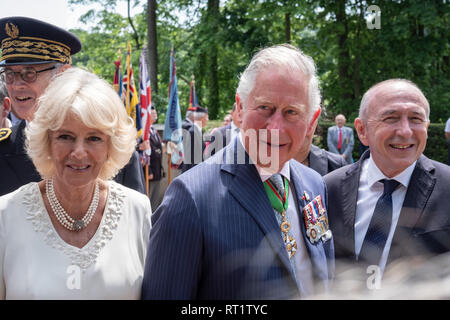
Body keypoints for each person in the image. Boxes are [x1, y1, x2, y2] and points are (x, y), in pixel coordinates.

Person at [142, 44, 334, 300]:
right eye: (265, 108)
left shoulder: (314, 184)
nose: (275, 127)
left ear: (311, 121)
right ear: (240, 109)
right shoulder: (191, 198)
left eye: (291, 112)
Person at [0, 67, 152, 299]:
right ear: (47, 141)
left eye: (94, 138)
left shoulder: (138, 210)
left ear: (111, 146)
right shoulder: (5, 215)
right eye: (65, 137)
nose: (79, 153)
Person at [0, 16, 146, 196]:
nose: (16, 85)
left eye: (28, 74)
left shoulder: (110, 147)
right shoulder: (3, 149)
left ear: (62, 74)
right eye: (9, 74)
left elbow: (135, 219)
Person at [324, 79, 450, 286]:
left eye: (415, 119)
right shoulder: (328, 188)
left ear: (427, 127)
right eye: (391, 118)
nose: (405, 131)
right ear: (362, 130)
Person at [295, 109, 347, 176]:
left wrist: (344, 154)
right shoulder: (331, 130)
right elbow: (330, 143)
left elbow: (351, 143)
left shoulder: (336, 165)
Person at [141, 105, 165, 210]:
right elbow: (144, 153)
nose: (156, 115)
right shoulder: (143, 132)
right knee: (148, 200)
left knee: (155, 201)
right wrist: (149, 170)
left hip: (157, 171)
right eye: (153, 113)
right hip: (148, 172)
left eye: (156, 113)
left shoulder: (153, 130)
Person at [180, 105, 208, 173]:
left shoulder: (197, 131)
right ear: (202, 118)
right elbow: (191, 157)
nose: (208, 120)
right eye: (207, 118)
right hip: (192, 172)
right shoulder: (193, 132)